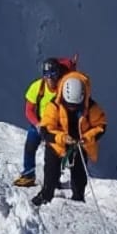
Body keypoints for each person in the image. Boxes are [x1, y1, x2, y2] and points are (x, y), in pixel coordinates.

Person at [32, 70, 106, 206]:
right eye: (69, 105)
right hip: (58, 143)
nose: (72, 108)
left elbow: (101, 126)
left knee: (79, 172)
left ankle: (78, 197)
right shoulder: (54, 105)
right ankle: (46, 194)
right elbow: (46, 129)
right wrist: (62, 138)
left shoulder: (91, 107)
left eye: (75, 106)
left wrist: (87, 138)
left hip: (80, 143)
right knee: (51, 169)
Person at [15, 56, 76, 187]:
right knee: (30, 147)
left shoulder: (64, 88)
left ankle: (53, 179)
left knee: (54, 154)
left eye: (53, 74)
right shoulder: (37, 87)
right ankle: (29, 175)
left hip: (56, 125)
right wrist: (38, 125)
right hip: (39, 122)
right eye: (47, 75)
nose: (50, 78)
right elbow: (29, 110)